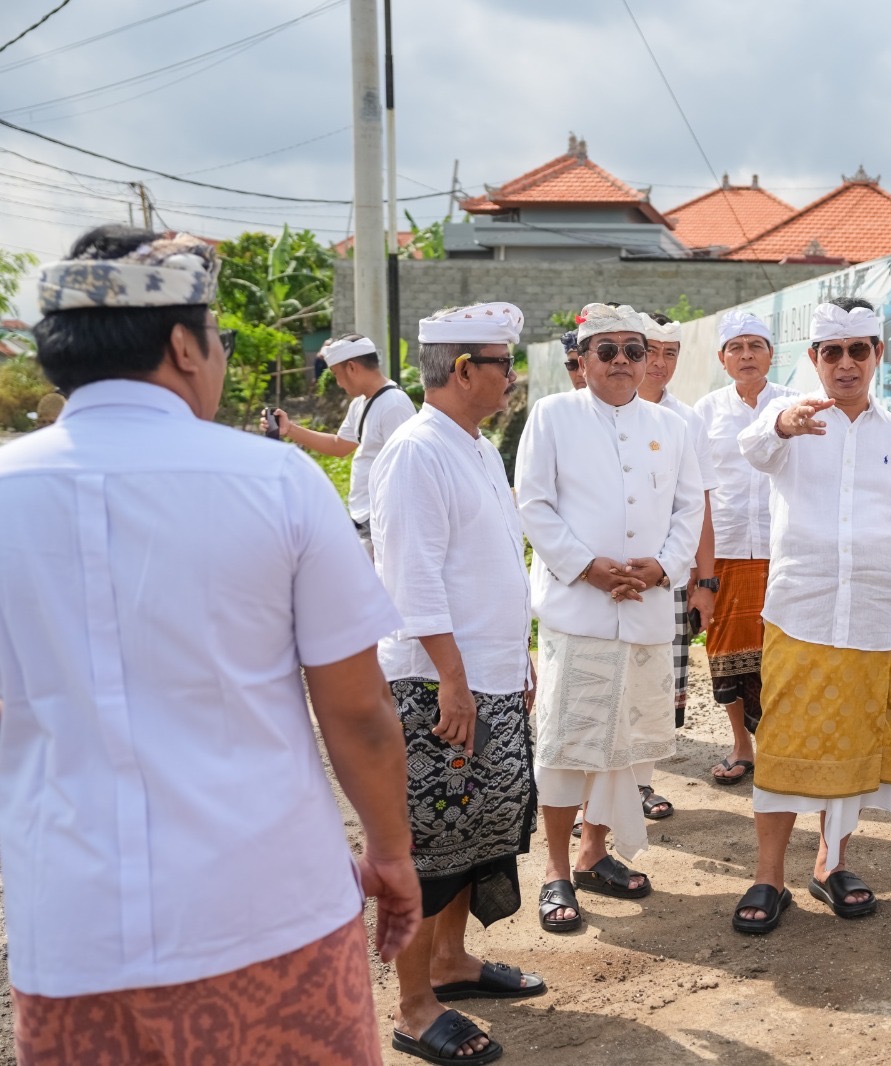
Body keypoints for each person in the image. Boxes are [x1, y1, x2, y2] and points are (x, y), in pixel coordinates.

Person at [0, 226, 420, 1065]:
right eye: (219, 338)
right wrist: (392, 854)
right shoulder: (276, 481)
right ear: (185, 346)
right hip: (269, 909)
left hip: (72, 930)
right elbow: (360, 711)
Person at [730, 299, 891, 934]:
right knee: (785, 747)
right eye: (832, 352)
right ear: (814, 360)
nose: (846, 363)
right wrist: (782, 428)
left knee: (855, 747)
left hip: (873, 617)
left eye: (859, 350)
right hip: (800, 614)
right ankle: (769, 877)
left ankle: (831, 864)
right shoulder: (787, 418)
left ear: (877, 355)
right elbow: (751, 451)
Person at [369, 301, 542, 1065]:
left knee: (479, 826)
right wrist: (454, 680)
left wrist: (515, 656)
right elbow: (413, 582)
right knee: (429, 839)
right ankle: (413, 1006)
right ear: (465, 369)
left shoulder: (473, 445)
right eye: (505, 364)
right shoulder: (416, 450)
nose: (514, 377)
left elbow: (490, 565)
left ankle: (452, 963)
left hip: (487, 674)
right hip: (438, 682)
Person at [515, 302, 704, 933]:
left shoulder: (673, 425)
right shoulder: (552, 415)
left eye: (634, 349)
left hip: (648, 606)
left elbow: (688, 512)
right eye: (607, 350)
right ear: (583, 360)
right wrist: (587, 566)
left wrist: (661, 569)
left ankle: (596, 852)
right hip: (579, 610)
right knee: (568, 744)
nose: (622, 360)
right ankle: (556, 870)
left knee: (624, 747)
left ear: (649, 358)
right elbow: (534, 504)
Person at [693, 310, 796, 784]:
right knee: (727, 653)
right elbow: (694, 490)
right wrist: (701, 569)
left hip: (786, 549)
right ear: (722, 358)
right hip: (727, 549)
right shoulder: (705, 413)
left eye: (756, 346)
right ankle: (742, 745)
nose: (747, 355)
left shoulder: (796, 406)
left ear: (772, 355)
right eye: (737, 347)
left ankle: (783, 746)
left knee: (784, 652)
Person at [632, 311, 718, 820]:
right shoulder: (590, 413)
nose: (659, 364)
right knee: (608, 684)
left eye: (670, 353)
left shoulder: (687, 421)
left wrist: (704, 581)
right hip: (607, 577)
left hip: (670, 579)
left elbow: (700, 506)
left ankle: (641, 783)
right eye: (651, 350)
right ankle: (591, 797)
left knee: (657, 685)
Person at [264, 332, 416, 556]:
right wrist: (291, 429)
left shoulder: (394, 405)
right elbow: (339, 445)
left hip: (382, 520)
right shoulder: (361, 403)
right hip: (364, 517)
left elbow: (408, 470)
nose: (337, 382)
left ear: (352, 367)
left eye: (336, 374)